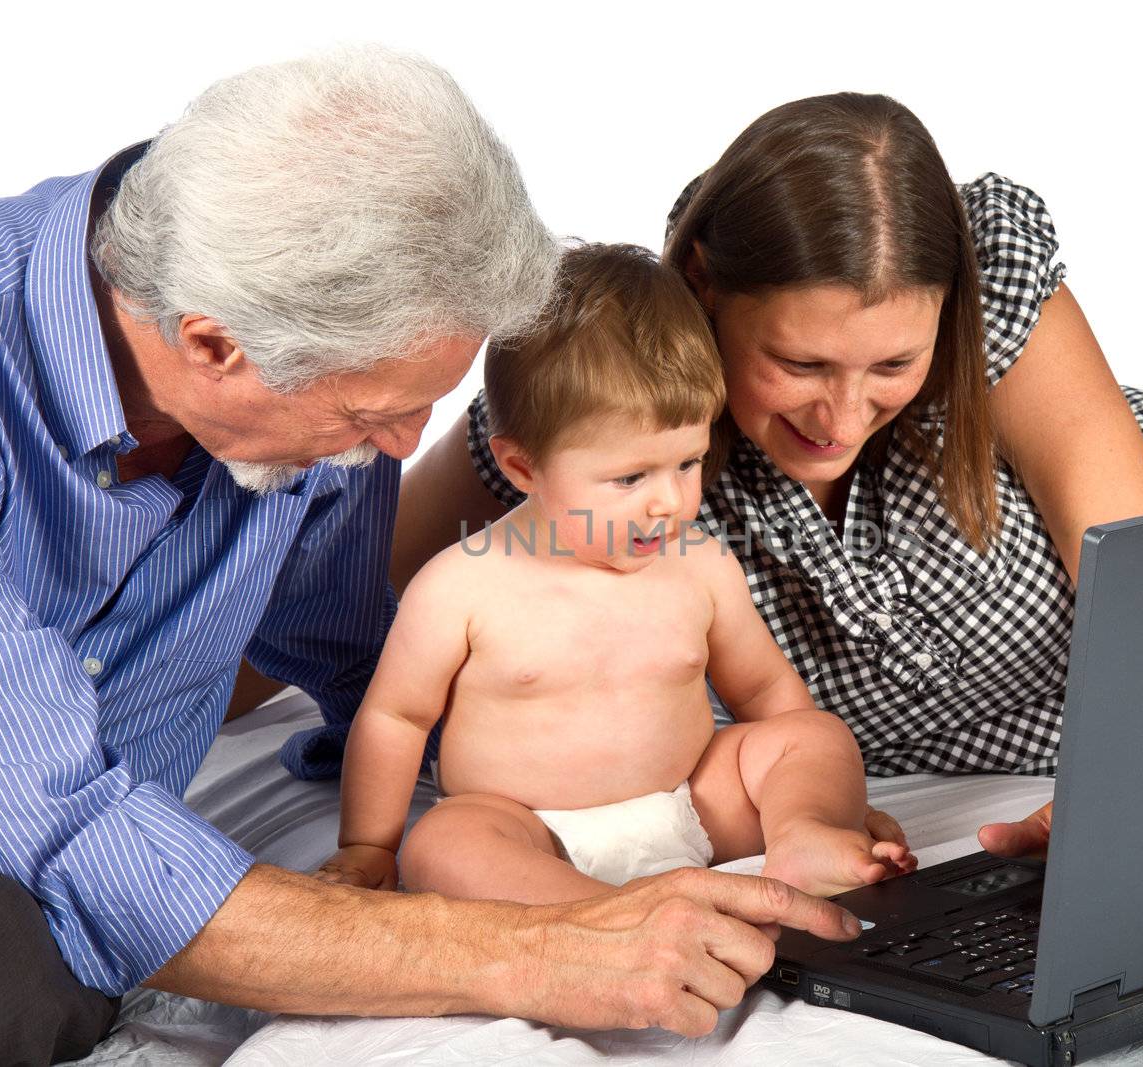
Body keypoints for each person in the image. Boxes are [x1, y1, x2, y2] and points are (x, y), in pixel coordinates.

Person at [0, 51, 864, 1067]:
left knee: (3, 945)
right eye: (374, 413)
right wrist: (528, 944)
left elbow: (358, 659)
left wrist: (515, 781)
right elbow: (63, 826)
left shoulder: (310, 374)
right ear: (213, 342)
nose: (401, 452)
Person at [388, 92, 1143, 858]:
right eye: (799, 364)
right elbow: (325, 581)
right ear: (705, 280)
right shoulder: (598, 421)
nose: (840, 417)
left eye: (891, 366)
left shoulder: (991, 303)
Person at [314, 244, 915, 904]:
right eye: (630, 477)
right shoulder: (460, 587)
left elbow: (768, 691)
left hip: (691, 806)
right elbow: (395, 718)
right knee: (444, 842)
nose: (668, 500)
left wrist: (819, 800)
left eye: (686, 463)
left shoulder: (701, 564)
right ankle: (597, 915)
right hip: (531, 829)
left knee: (816, 736)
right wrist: (368, 845)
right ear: (522, 468)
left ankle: (804, 838)